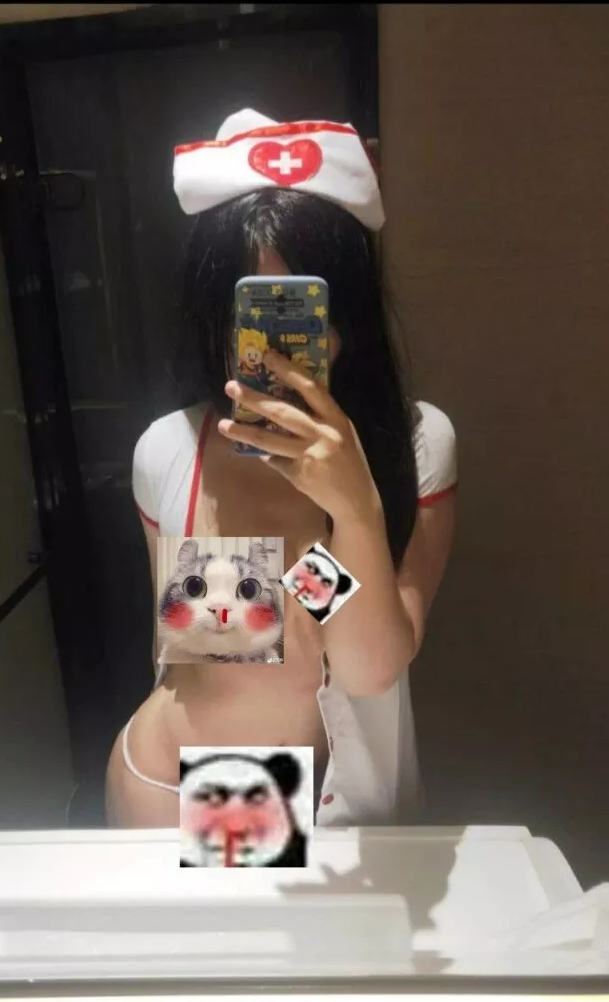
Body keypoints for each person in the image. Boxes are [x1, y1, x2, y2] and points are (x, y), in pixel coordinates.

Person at [106, 109, 457, 828]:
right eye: (250, 307)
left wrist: (353, 504)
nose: (274, 342)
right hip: (185, 783)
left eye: (298, 307)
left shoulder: (416, 443)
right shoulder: (169, 449)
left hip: (343, 799)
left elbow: (368, 670)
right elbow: (188, 662)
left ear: (346, 309)